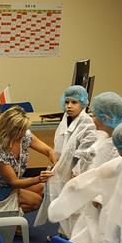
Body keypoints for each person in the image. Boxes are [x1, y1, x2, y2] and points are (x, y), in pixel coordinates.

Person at [67, 91, 122, 243]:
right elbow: (92, 161)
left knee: (98, 242)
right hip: (93, 201)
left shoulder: (119, 146)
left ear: (106, 118)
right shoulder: (104, 138)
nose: (92, 118)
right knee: (85, 239)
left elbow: (116, 176)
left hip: (103, 204)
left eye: (95, 115)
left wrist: (98, 198)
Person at [34, 84, 98, 233]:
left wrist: (76, 173)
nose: (69, 106)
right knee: (62, 201)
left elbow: (87, 153)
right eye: (67, 102)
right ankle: (64, 232)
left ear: (83, 103)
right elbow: (60, 144)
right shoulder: (66, 119)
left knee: (75, 205)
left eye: (74, 102)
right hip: (62, 168)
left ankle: (72, 236)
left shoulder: (87, 123)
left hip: (76, 171)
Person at [0, 105, 58, 213]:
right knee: (36, 201)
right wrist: (39, 178)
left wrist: (57, 163)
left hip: (15, 181)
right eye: (19, 129)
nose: (22, 133)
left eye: (23, 129)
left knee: (43, 188)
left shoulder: (24, 135)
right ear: (7, 128)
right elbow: (14, 182)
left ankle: (13, 214)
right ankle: (7, 216)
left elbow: (49, 151)